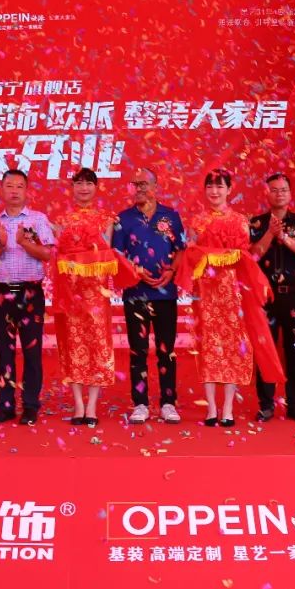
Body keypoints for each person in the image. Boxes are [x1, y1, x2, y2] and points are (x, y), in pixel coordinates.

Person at [178, 169, 284, 427]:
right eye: (210, 187)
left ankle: (227, 408)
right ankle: (211, 408)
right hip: (205, 293)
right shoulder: (197, 221)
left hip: (233, 293)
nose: (214, 192)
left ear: (229, 190)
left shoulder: (239, 220)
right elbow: (190, 255)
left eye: (220, 187)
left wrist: (268, 235)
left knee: (232, 348)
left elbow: (249, 257)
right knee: (208, 347)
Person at [54, 168, 135, 426]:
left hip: (97, 294)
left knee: (98, 346)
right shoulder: (62, 219)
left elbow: (107, 254)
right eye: (79, 183)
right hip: (71, 292)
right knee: (73, 345)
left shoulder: (106, 219)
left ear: (96, 188)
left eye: (88, 183)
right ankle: (78, 404)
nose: (84, 188)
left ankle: (92, 407)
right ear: (72, 188)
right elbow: (58, 255)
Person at [0, 169, 55, 425]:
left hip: (30, 292)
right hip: (2, 292)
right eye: (9, 186)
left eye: (19, 186)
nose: (14, 191)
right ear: (2, 190)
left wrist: (24, 242)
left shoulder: (38, 219)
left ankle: (31, 405)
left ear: (26, 190)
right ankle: (6, 405)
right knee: (5, 351)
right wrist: (1, 244)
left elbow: (47, 254)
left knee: (32, 351)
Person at [112, 168, 185, 425]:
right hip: (136, 293)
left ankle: (168, 403)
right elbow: (116, 254)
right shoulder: (123, 219)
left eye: (144, 184)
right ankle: (140, 403)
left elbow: (181, 249)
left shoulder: (171, 216)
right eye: (135, 184)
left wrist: (171, 271)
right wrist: (137, 272)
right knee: (138, 351)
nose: (139, 188)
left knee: (167, 350)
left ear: (156, 186)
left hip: (165, 292)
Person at [249, 173, 295, 422]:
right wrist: (269, 233)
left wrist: (284, 238)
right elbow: (253, 255)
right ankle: (266, 404)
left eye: (284, 189)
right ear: (267, 194)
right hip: (265, 296)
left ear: (290, 193)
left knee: (294, 351)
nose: (279, 194)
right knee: (265, 350)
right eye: (274, 190)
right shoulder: (256, 222)